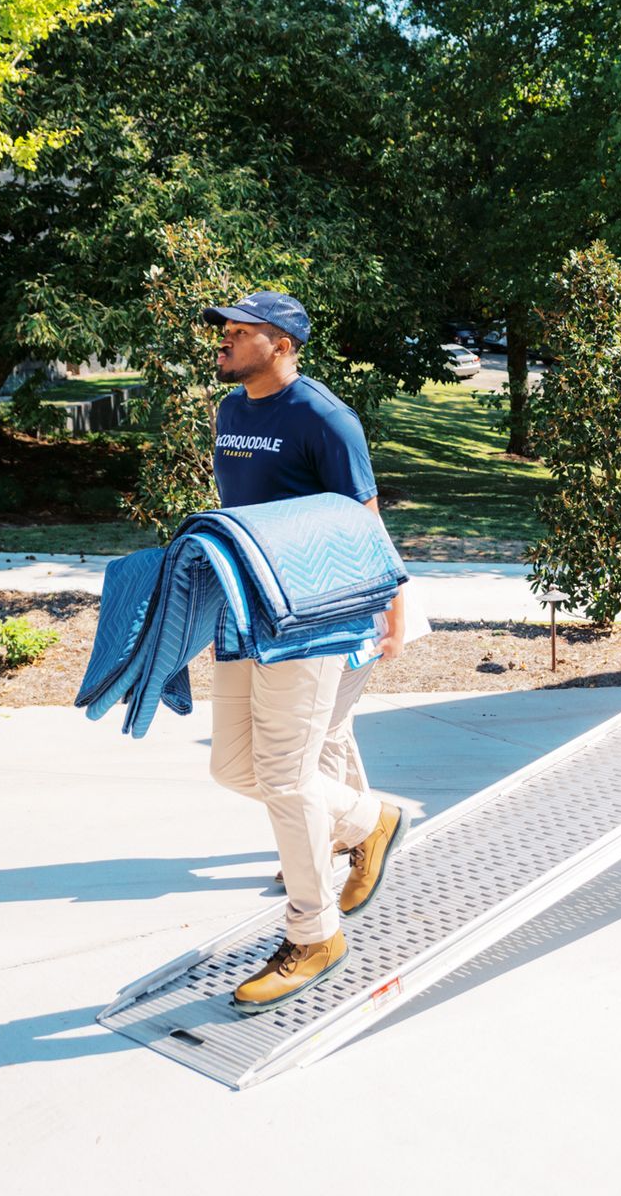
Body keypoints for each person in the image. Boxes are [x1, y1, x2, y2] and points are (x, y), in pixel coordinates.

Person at [201, 290, 411, 1011]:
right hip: (249, 607)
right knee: (234, 766)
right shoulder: (232, 410)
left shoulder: (324, 417)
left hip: (317, 616)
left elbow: (365, 521)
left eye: (239, 331)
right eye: (223, 331)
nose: (223, 341)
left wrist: (392, 615)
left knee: (288, 778)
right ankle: (368, 819)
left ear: (282, 343)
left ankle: (314, 933)